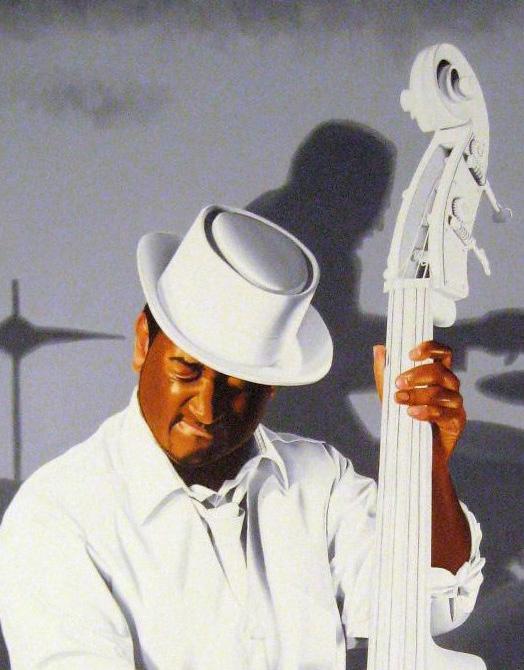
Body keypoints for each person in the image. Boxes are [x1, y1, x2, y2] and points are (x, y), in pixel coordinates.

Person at [0, 206, 484, 669]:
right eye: (186, 370)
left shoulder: (321, 481)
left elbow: (429, 605)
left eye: (237, 386)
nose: (206, 408)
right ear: (144, 341)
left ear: (271, 386)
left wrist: (427, 466)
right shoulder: (57, 514)